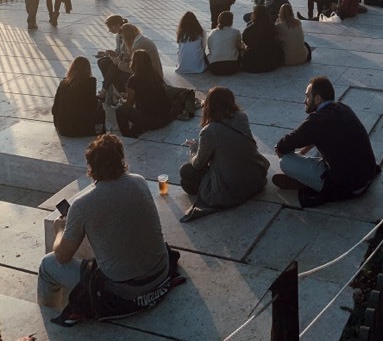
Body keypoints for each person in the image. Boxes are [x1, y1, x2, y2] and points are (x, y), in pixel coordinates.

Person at [38, 134, 179, 319]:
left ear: (90, 167)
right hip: (160, 275)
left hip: (127, 291)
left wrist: (60, 231)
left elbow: (62, 256)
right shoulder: (139, 182)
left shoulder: (82, 205)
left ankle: (47, 316)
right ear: (122, 159)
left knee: (47, 265)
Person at [273, 76, 379, 207]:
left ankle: (306, 180)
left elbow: (283, 146)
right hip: (366, 175)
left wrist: (284, 153)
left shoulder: (317, 120)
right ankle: (306, 175)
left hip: (348, 185)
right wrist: (304, 150)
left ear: (317, 99)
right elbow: (317, 135)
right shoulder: (342, 107)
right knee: (327, 141)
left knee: (286, 162)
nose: (304, 101)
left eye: (307, 97)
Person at [179, 86, 269, 221]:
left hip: (230, 188)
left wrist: (194, 149)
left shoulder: (209, 131)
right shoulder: (242, 117)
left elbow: (198, 164)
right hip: (255, 180)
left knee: (185, 172)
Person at [115, 50, 172, 138]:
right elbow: (147, 93)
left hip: (152, 121)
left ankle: (126, 135)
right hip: (165, 117)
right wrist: (128, 95)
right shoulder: (155, 74)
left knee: (120, 109)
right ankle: (137, 127)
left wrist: (121, 100)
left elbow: (128, 104)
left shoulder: (133, 80)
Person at [52, 57, 105, 137]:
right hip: (78, 129)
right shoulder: (89, 83)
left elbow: (55, 107)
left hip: (62, 127)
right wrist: (99, 100)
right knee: (101, 108)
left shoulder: (64, 83)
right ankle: (99, 131)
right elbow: (92, 106)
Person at [241, 5, 284, 72]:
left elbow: (246, 42)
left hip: (253, 62)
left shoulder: (248, 30)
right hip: (272, 62)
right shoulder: (272, 27)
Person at [206, 11, 245, 75]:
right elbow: (239, 47)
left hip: (214, 67)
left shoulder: (212, 32)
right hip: (232, 67)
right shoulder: (236, 32)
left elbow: (210, 48)